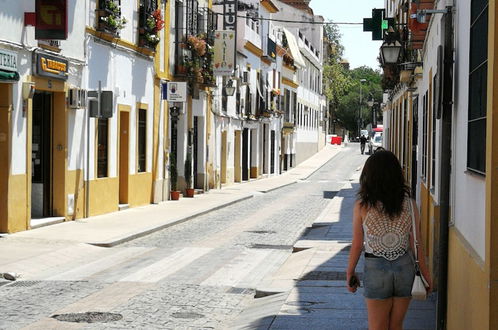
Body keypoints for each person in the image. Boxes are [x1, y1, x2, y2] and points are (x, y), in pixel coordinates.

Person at [346, 150, 432, 330]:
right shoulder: (409, 204)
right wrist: (425, 274)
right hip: (405, 269)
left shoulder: (363, 205)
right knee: (396, 325)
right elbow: (416, 243)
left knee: (377, 326)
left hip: (376, 269)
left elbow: (357, 244)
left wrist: (350, 272)